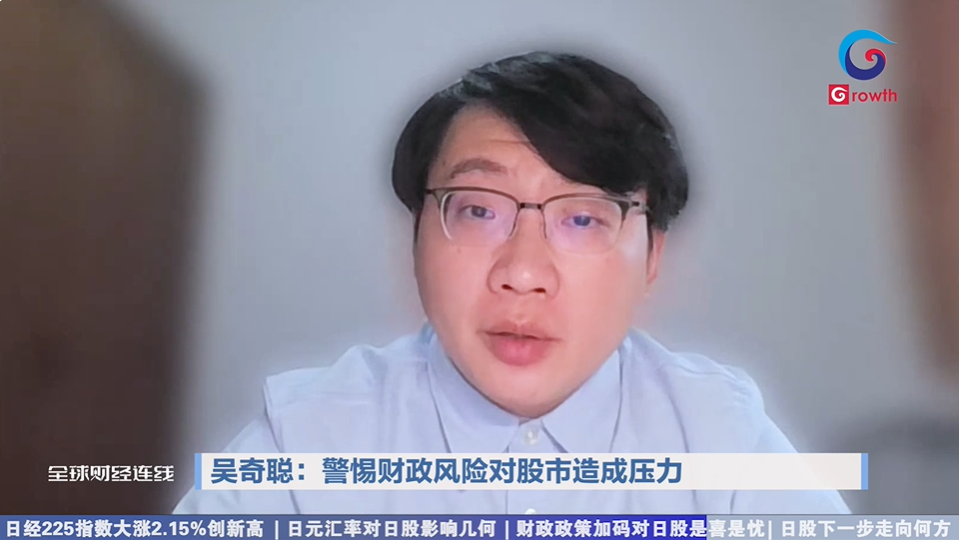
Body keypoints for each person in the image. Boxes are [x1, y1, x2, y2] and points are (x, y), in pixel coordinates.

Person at [174, 51, 850, 514]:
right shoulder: (309, 440)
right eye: (478, 211)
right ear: (415, 238)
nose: (522, 274)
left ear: (651, 259)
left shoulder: (718, 439)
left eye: (582, 219)